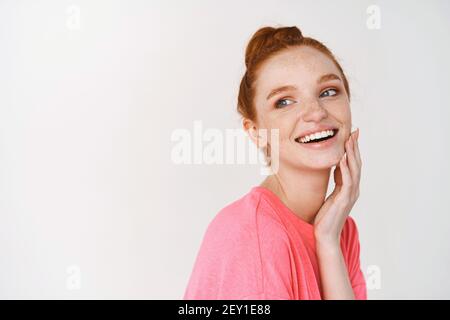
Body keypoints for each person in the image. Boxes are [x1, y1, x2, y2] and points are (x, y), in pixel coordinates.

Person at [184, 26, 366, 300]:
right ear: (255, 132)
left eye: (328, 91)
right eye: (284, 102)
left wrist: (328, 243)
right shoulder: (251, 237)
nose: (316, 112)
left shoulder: (340, 229)